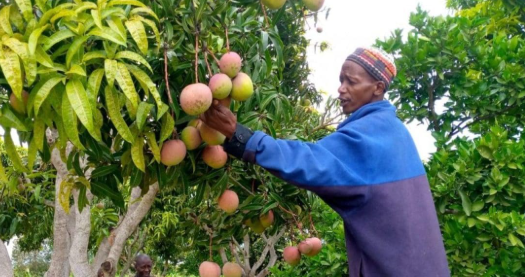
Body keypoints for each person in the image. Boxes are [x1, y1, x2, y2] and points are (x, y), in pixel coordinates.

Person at [199, 47, 450, 276]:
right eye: (341, 80)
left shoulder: (369, 135)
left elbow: (308, 161)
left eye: (351, 81)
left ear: (378, 88)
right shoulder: (394, 131)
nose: (341, 88)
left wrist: (241, 136)